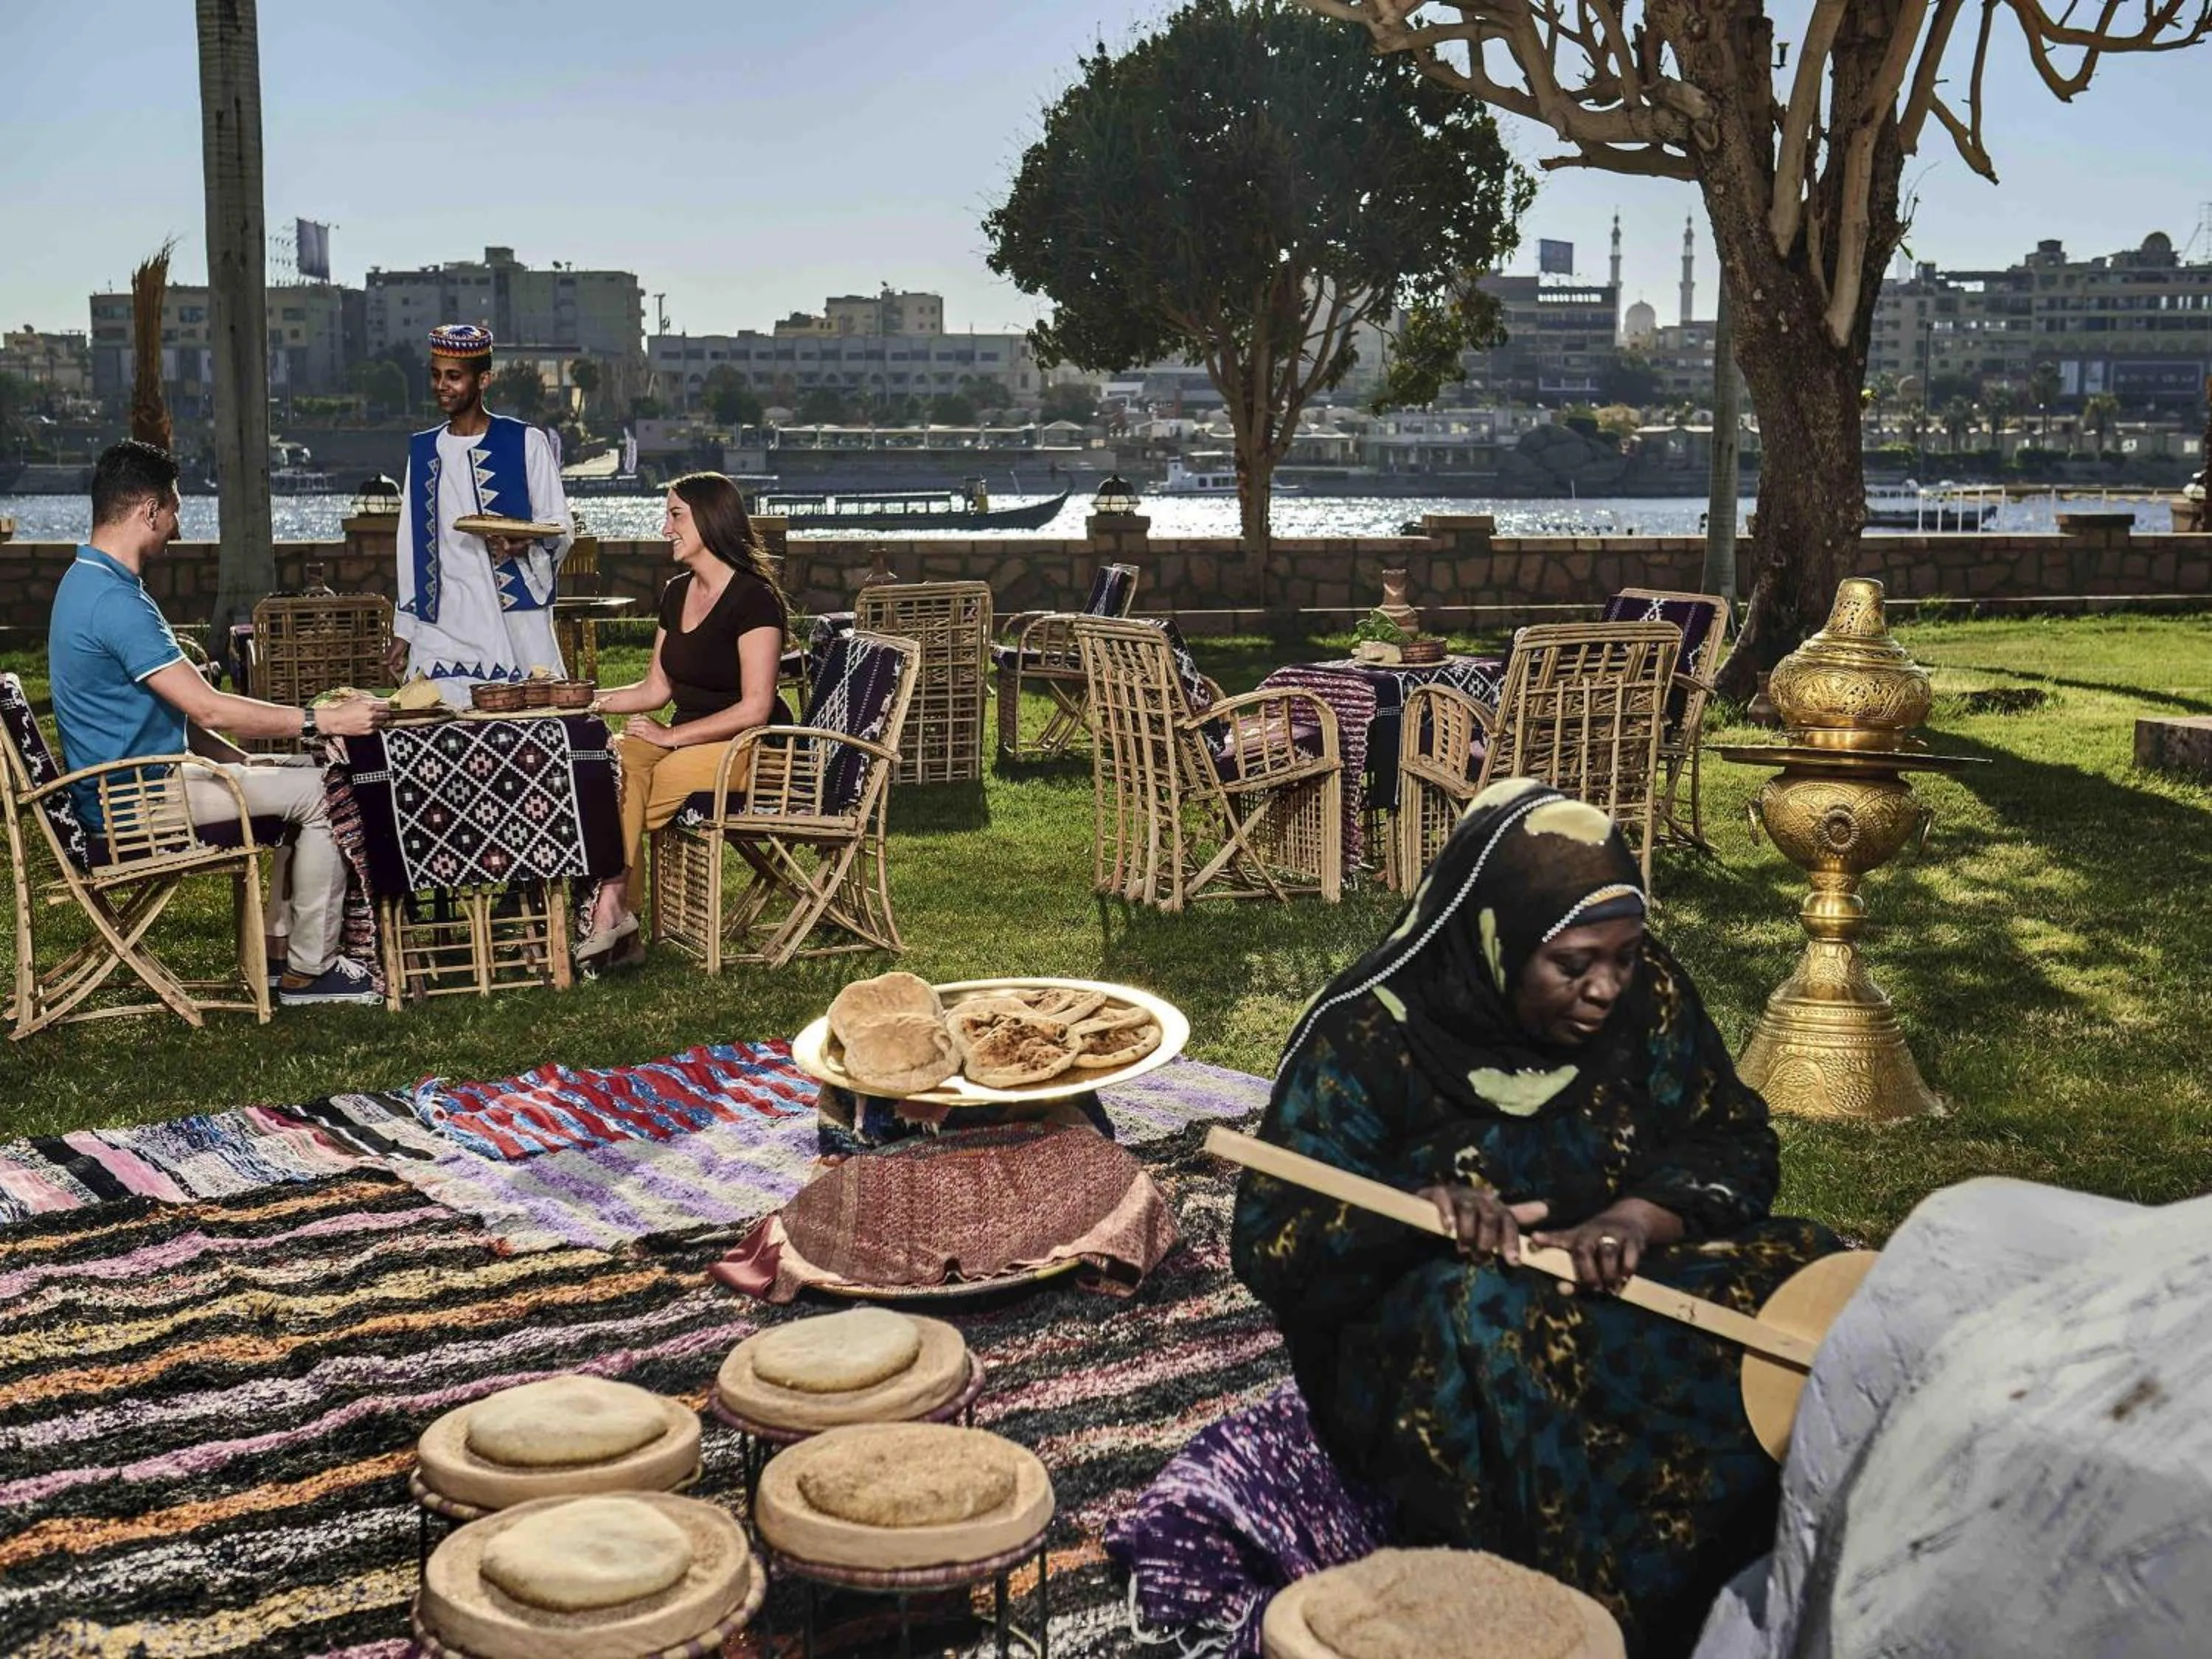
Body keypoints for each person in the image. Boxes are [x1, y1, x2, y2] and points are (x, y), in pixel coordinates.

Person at [1230, 779, 1839, 1658]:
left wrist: (1637, 1218)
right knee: (1487, 1320)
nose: (1606, 988)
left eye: (1623, 956)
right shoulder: (1372, 1035)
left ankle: (1747, 1565)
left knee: (1808, 1280)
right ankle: (1566, 1618)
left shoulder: (1647, 992)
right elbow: (1270, 1240)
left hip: (1624, 1280)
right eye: (1574, 964)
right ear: (1495, 938)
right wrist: (1419, 1215)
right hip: (1433, 1332)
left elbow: (1734, 1142)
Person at [47, 441, 388, 1005]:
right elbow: (205, 704)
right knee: (328, 788)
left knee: (301, 774)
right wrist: (322, 718)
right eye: (174, 511)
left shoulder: (87, 582)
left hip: (132, 785)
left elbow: (168, 709)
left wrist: (240, 760)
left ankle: (280, 957)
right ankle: (314, 969)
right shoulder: (113, 601)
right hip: (140, 802)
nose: (177, 529)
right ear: (149, 511)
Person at [576, 473, 790, 964]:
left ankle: (611, 914)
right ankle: (617, 914)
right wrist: (584, 701)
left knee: (633, 790)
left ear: (711, 521)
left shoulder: (754, 598)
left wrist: (670, 736)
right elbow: (656, 689)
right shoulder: (676, 593)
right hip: (687, 736)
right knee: (610, 762)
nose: (665, 527)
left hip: (749, 744)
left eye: (676, 516)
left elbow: (756, 706)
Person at [389, 324, 574, 706]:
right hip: (441, 622)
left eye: (454, 377)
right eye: (436, 375)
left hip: (512, 621)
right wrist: (404, 631)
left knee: (527, 724)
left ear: (484, 379)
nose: (442, 386)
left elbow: (559, 526)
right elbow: (410, 547)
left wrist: (526, 546)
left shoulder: (527, 442)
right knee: (437, 729)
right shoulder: (423, 451)